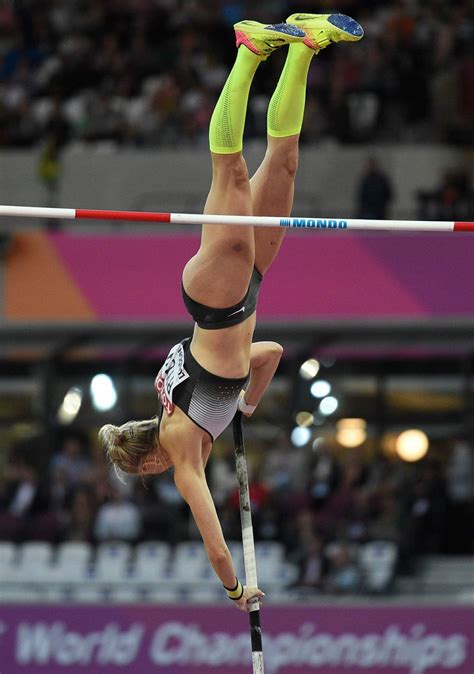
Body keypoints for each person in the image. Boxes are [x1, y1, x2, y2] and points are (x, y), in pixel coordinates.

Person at [99, 14, 363, 611]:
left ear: (149, 462)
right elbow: (268, 353)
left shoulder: (182, 445)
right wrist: (247, 399)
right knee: (286, 162)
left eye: (150, 475)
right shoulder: (191, 421)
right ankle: (306, 45)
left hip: (216, 299)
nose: (160, 478)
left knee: (232, 172)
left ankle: (247, 50)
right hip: (250, 290)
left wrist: (235, 589)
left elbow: (214, 537)